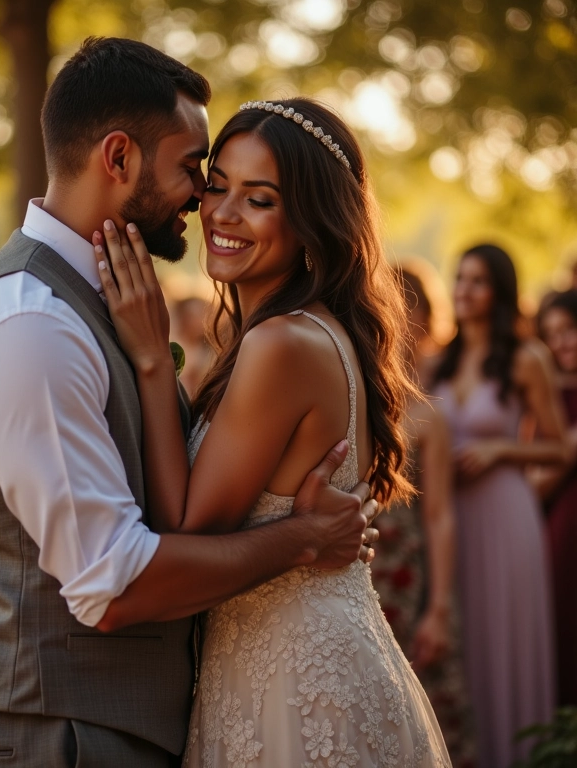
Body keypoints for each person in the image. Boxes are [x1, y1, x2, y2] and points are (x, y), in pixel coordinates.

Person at [0, 39, 379, 768]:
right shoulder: (30, 323)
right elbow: (112, 583)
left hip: (142, 726)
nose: (204, 198)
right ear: (119, 159)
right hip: (51, 740)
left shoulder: (113, 307)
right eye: (195, 168)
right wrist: (300, 541)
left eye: (250, 193)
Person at [94, 98, 450, 766]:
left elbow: (188, 527)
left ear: (311, 220)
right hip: (283, 659)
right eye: (218, 187)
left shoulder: (283, 344)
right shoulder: (296, 332)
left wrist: (150, 359)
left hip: (296, 680)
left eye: (259, 199)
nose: (223, 214)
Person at [433, 244, 565, 767]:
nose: (464, 290)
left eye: (479, 281)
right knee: (463, 639)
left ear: (500, 291)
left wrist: (500, 449)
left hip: (508, 515)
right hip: (450, 519)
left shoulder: (526, 358)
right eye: (460, 278)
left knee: (505, 640)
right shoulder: (437, 361)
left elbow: (558, 445)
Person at [371, 270, 476, 767]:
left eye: (403, 307)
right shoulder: (351, 395)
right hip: (353, 571)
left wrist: (438, 608)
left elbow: (439, 517)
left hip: (407, 579)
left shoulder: (428, 417)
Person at [536, 289, 577, 707]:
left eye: (570, 329)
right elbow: (537, 481)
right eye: (554, 334)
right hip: (565, 525)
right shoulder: (548, 393)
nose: (563, 342)